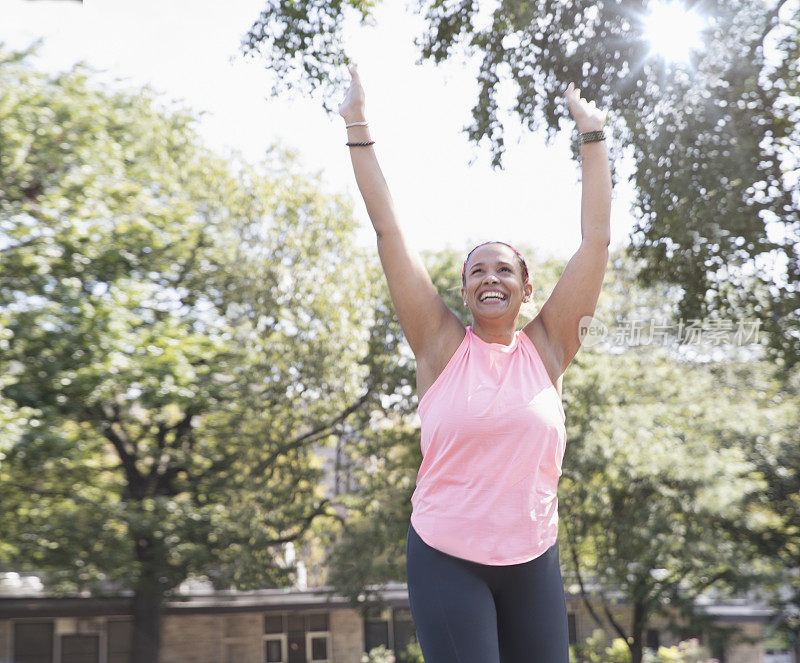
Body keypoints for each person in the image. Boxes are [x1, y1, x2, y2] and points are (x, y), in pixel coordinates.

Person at [338, 63, 611, 663]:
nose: (491, 277)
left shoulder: (548, 348)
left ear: (524, 286)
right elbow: (389, 232)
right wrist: (358, 124)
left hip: (534, 556)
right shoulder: (440, 347)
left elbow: (595, 241)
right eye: (477, 271)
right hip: (446, 555)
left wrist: (592, 136)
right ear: (464, 291)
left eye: (504, 269)